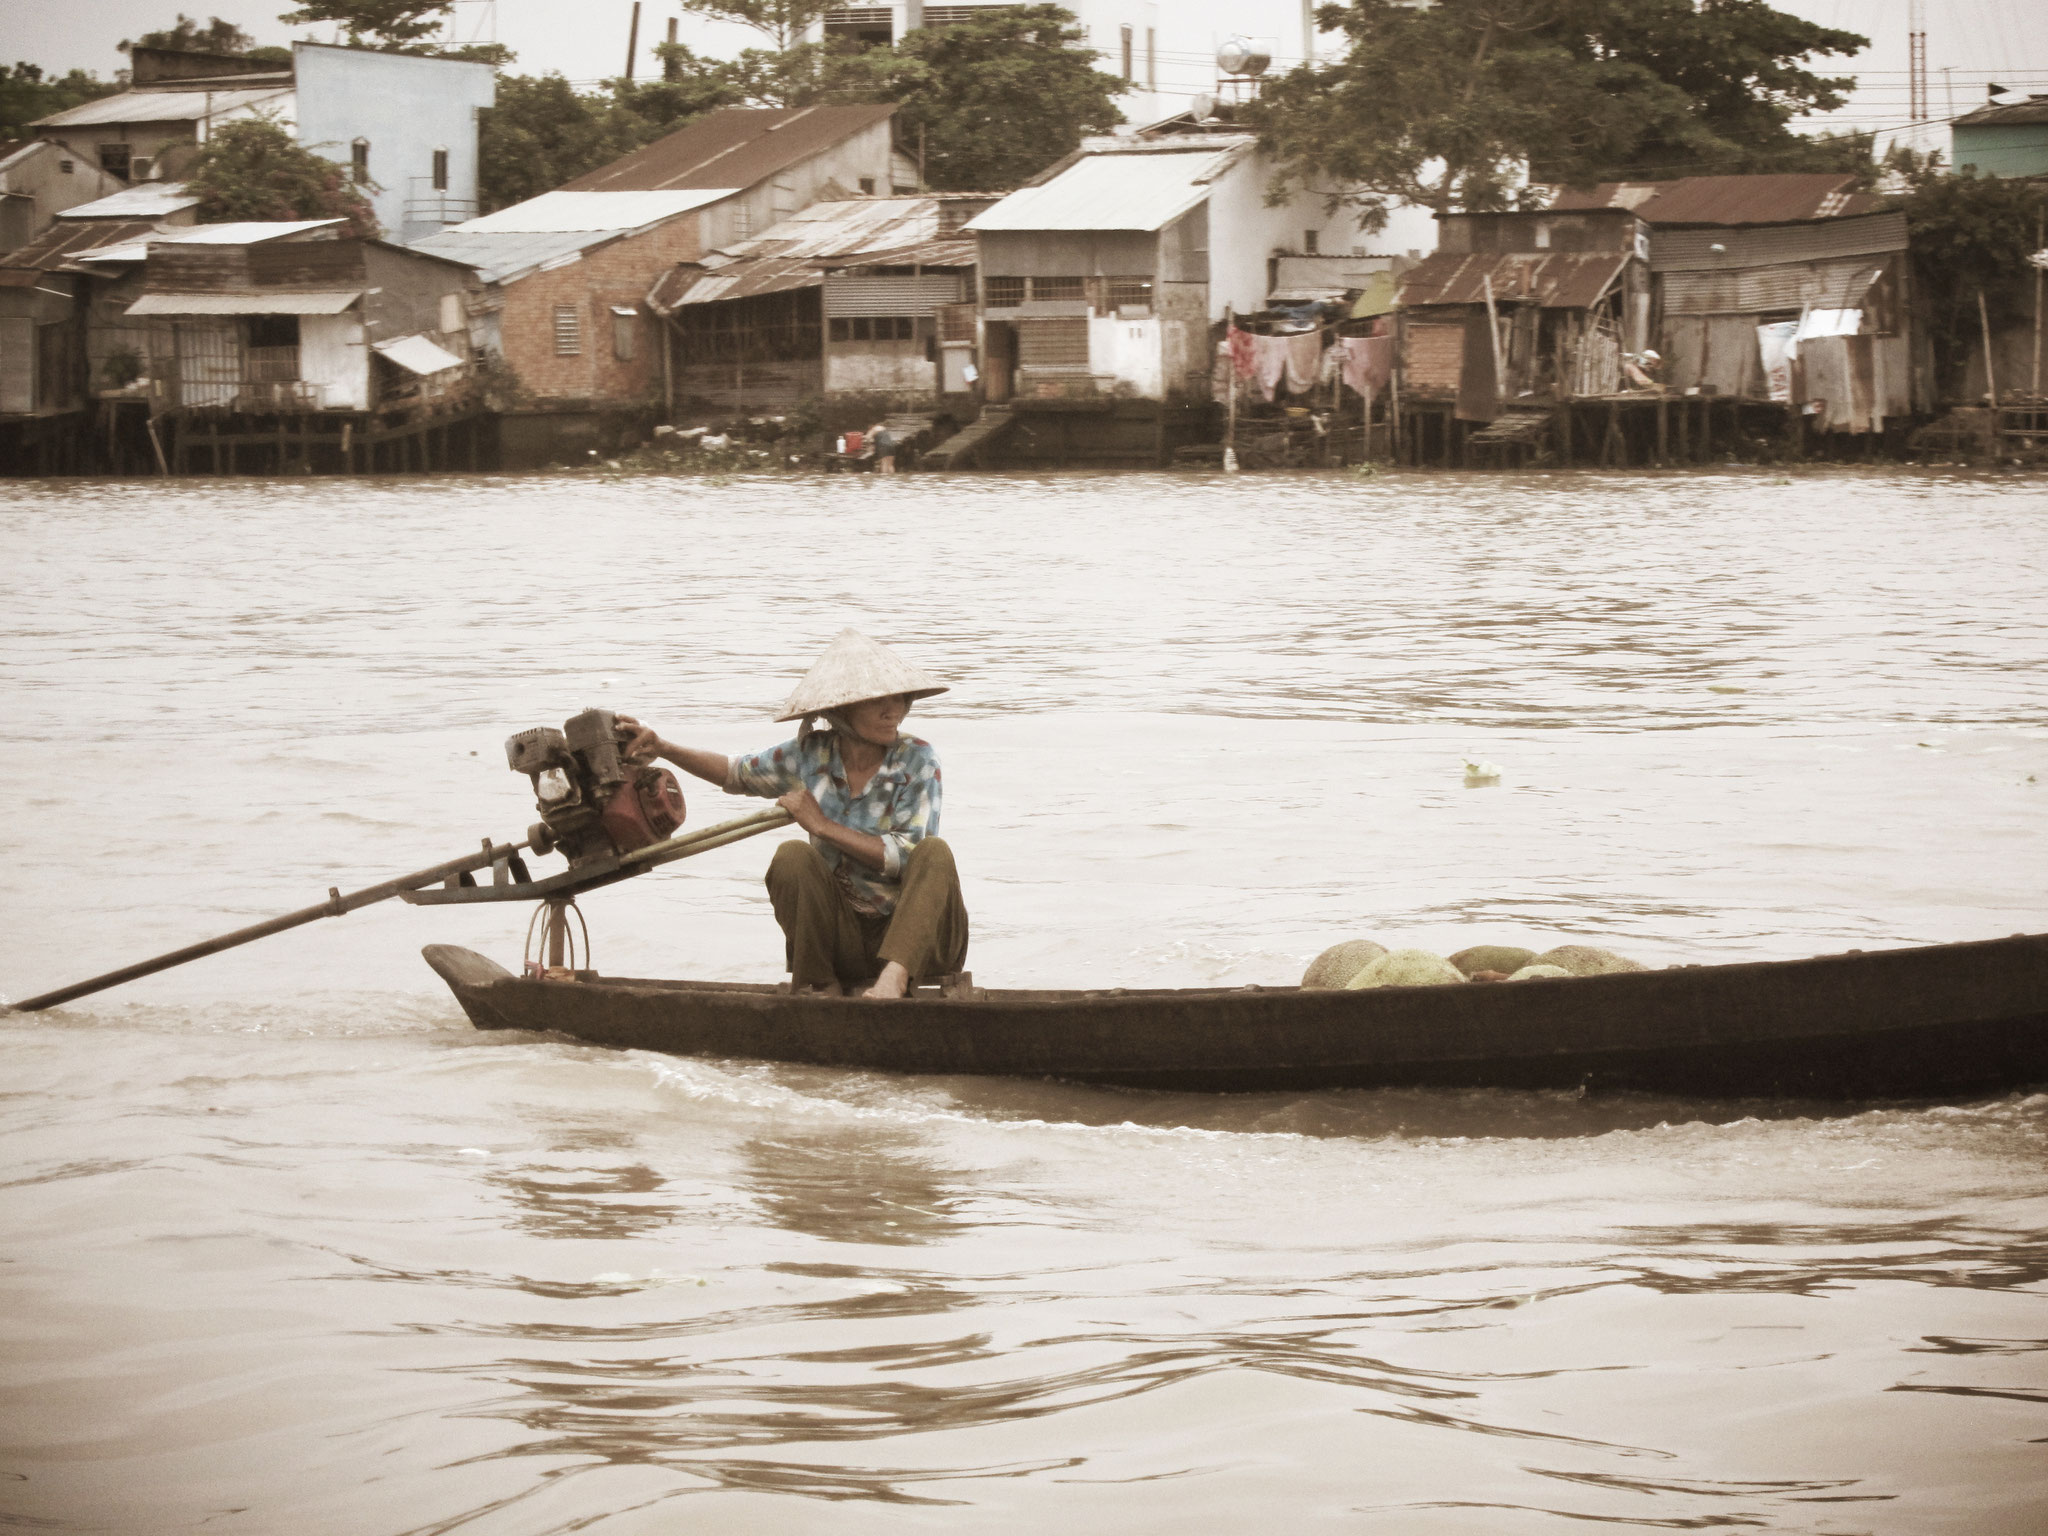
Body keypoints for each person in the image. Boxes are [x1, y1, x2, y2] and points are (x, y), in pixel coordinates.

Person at [616, 629, 966, 1000]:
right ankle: (819, 983)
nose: (892, 710)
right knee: (791, 856)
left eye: (899, 699)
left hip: (916, 943)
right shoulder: (809, 754)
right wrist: (664, 747)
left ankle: (892, 980)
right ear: (841, 711)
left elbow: (903, 856)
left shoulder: (917, 759)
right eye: (877, 701)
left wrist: (822, 826)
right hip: (844, 939)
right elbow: (736, 772)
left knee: (934, 853)